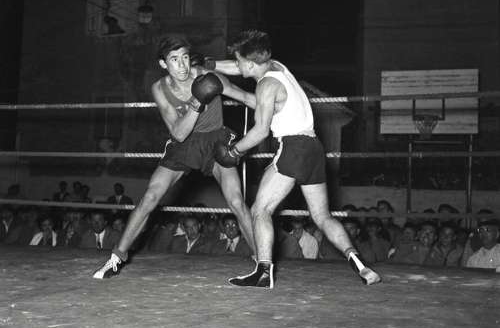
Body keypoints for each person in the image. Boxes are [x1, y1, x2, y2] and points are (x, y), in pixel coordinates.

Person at [212, 30, 381, 288]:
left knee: (260, 210)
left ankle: (263, 272)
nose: (236, 65)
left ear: (250, 64)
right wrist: (210, 65)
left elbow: (260, 131)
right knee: (322, 217)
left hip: (293, 147)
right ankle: (361, 266)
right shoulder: (277, 67)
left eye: (238, 61)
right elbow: (239, 69)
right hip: (314, 147)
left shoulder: (266, 86)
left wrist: (234, 151)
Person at [93, 35, 255, 278]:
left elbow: (247, 98)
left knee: (236, 201)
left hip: (215, 141)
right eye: (174, 59)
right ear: (163, 64)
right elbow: (178, 133)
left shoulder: (209, 77)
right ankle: (116, 258)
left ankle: (262, 261)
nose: (182, 65)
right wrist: (197, 101)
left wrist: (280, 108)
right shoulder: (160, 89)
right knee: (150, 197)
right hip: (184, 144)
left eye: (185, 58)